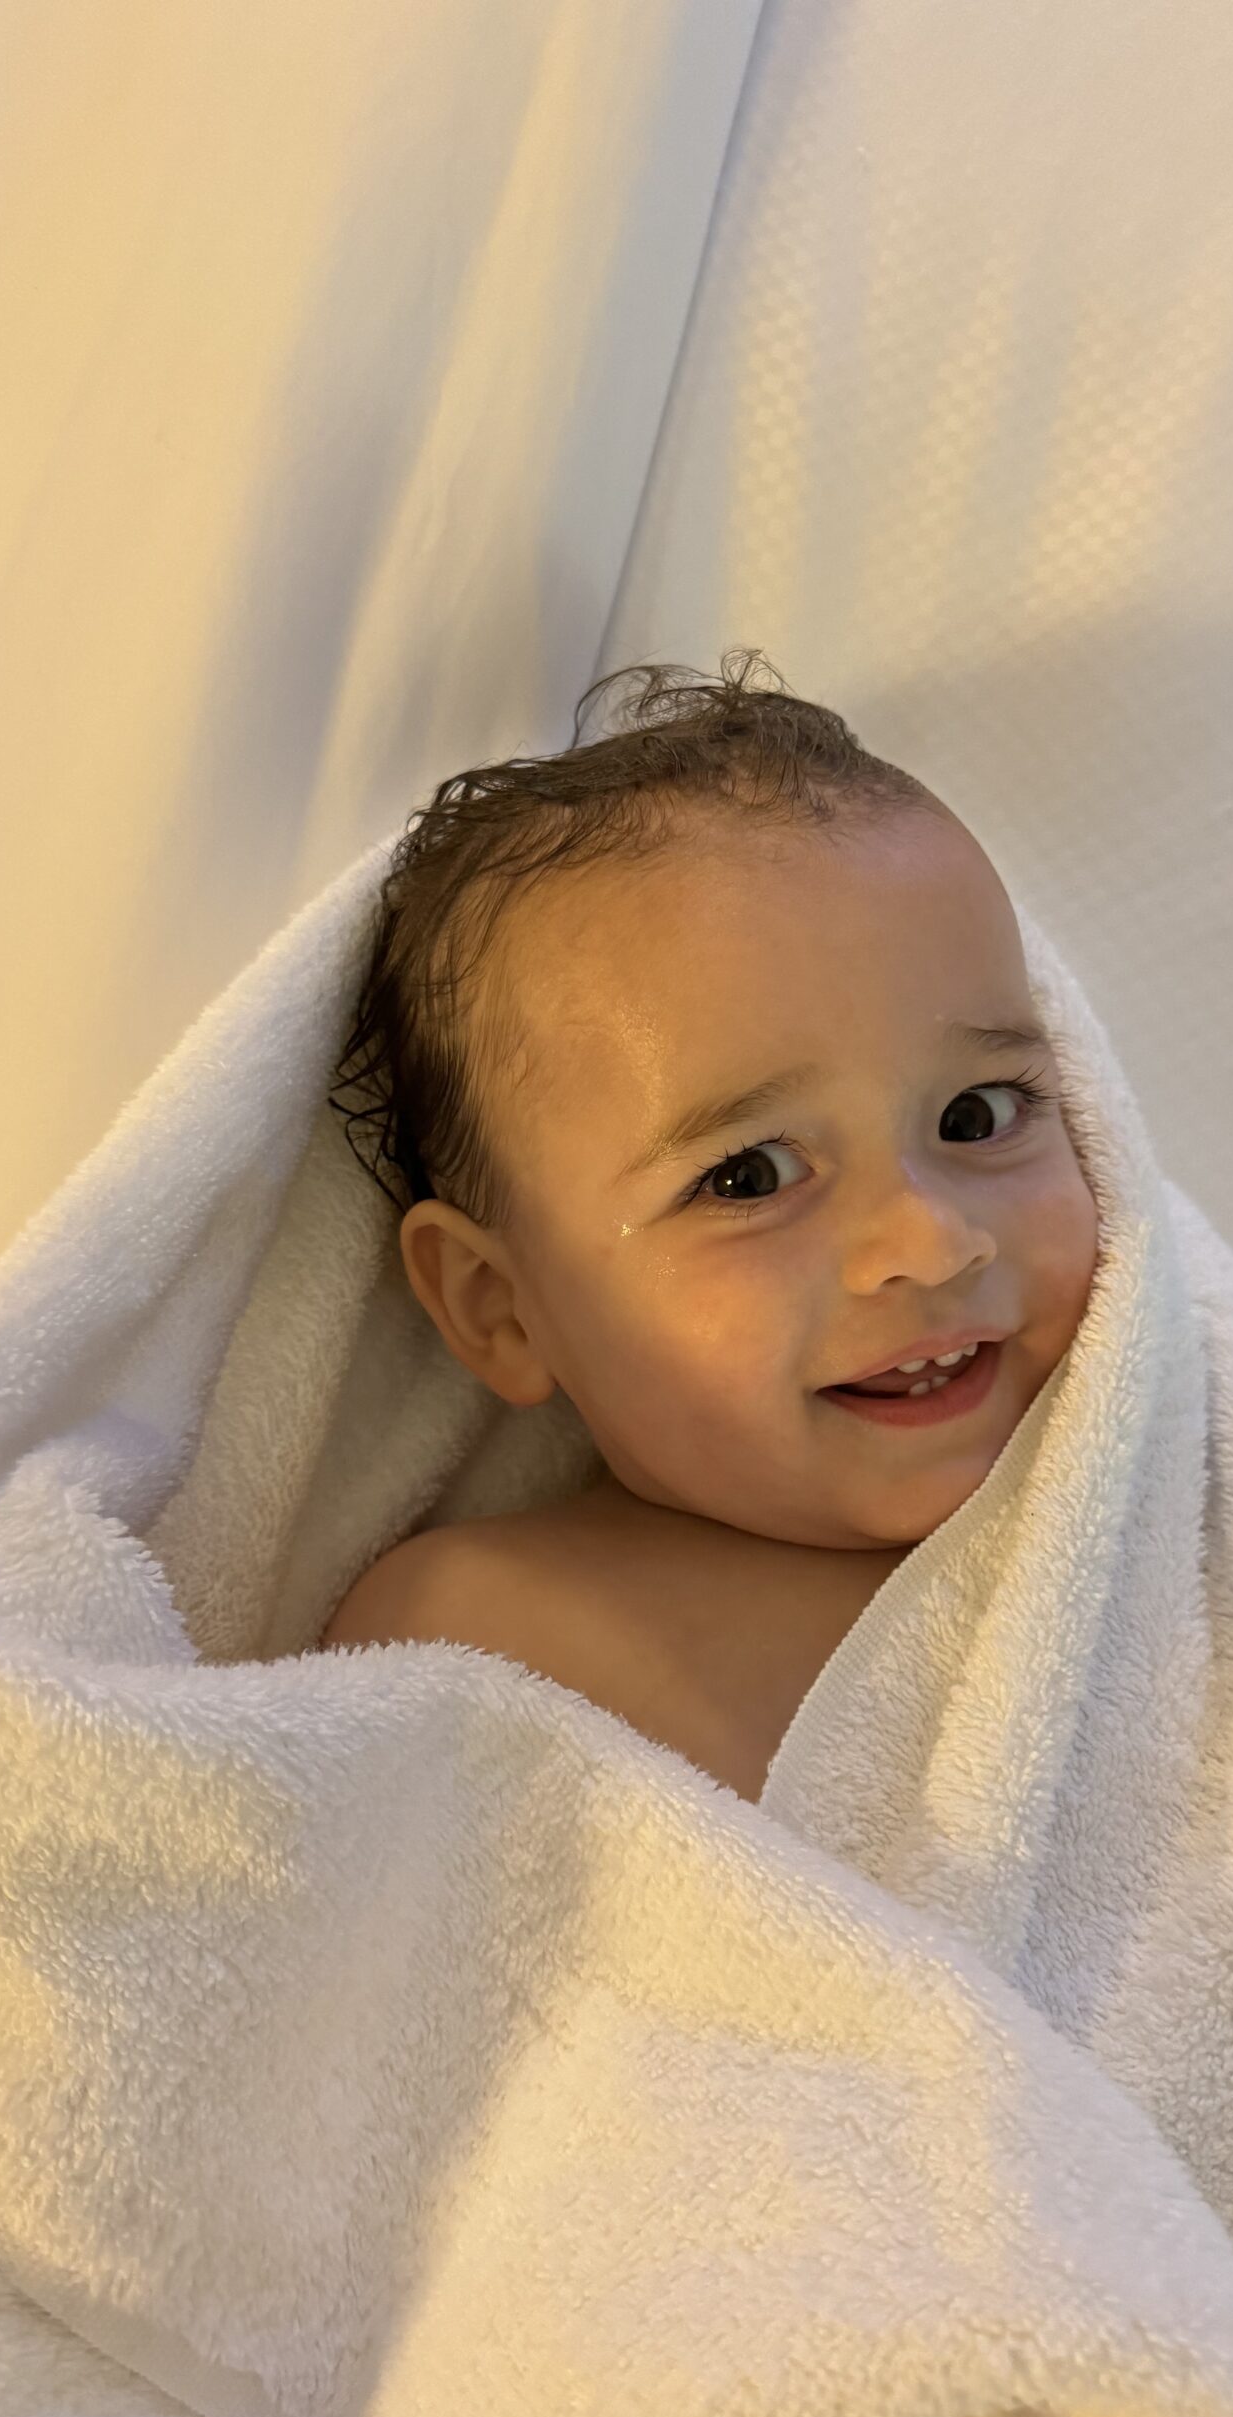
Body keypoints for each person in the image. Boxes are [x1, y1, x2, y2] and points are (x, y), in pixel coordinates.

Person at [322, 649, 1101, 1801]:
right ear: (502, 1308)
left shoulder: (1166, 1549)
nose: (933, 1242)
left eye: (977, 1115)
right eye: (747, 1177)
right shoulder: (479, 1633)